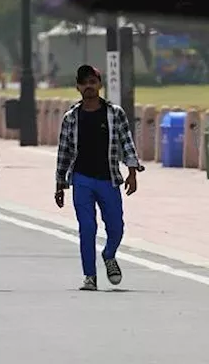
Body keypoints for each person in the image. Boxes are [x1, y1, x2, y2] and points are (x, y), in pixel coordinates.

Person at [54, 64, 141, 291]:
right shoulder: (71, 117)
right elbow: (63, 152)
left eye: (93, 82)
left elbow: (126, 143)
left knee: (116, 227)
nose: (89, 86)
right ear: (78, 87)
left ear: (100, 85)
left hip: (108, 178)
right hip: (81, 179)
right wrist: (59, 184)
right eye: (84, 83)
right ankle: (89, 276)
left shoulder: (114, 113)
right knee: (87, 227)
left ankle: (109, 254)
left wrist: (132, 171)